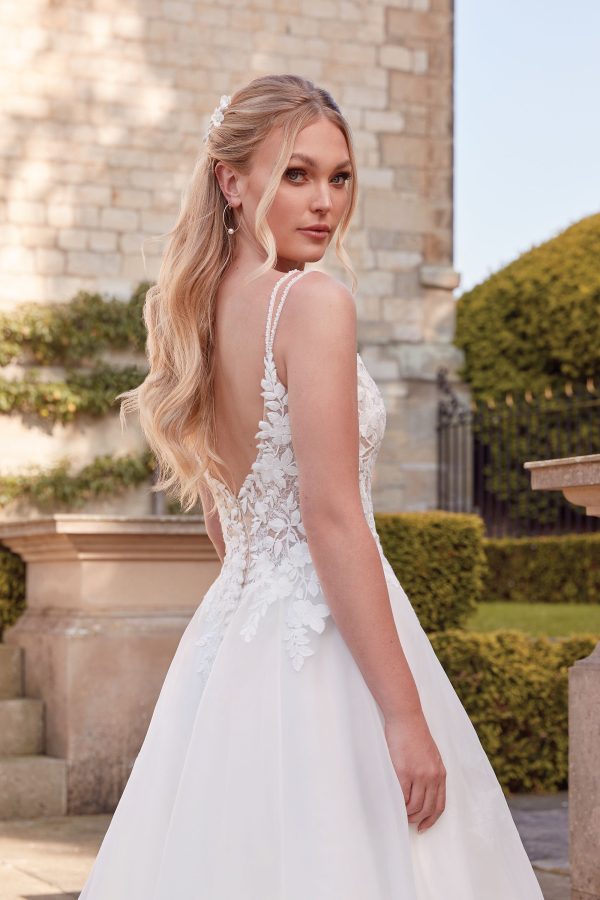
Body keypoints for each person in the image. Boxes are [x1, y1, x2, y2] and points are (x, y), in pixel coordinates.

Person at [79, 73, 543, 899]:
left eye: (339, 176)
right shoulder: (312, 302)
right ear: (233, 181)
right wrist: (403, 716)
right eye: (296, 174)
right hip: (321, 646)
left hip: (232, 645)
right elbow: (332, 521)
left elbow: (231, 530)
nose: (324, 200)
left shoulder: (204, 312)